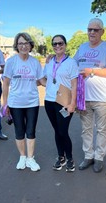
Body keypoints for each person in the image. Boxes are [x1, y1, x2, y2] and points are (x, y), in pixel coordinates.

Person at [74, 18, 106, 173]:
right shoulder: (82, 47)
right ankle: (88, 156)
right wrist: (56, 59)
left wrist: (90, 71)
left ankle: (99, 157)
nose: (92, 32)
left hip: (101, 98)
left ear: (102, 32)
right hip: (83, 97)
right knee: (86, 129)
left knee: (101, 129)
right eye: (89, 29)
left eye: (95, 30)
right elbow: (72, 65)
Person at [2, 32, 45, 172]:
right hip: (15, 103)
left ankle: (30, 158)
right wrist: (5, 103)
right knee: (19, 131)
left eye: (26, 43)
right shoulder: (11, 62)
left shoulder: (35, 62)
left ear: (30, 45)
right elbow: (6, 83)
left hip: (32, 102)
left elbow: (42, 80)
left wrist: (56, 82)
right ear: (16, 45)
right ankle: (22, 156)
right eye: (20, 43)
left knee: (31, 131)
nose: (23, 46)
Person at [43, 34, 78, 172]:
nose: (57, 46)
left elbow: (74, 85)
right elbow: (42, 79)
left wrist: (72, 104)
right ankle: (61, 157)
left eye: (60, 43)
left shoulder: (71, 63)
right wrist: (49, 87)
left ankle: (69, 158)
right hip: (49, 102)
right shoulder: (49, 62)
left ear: (65, 45)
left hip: (64, 103)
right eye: (55, 44)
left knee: (63, 131)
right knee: (57, 130)